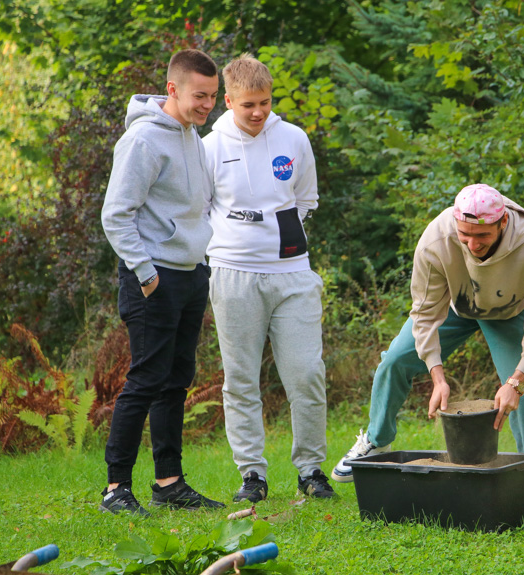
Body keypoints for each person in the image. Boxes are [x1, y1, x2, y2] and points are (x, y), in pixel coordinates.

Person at [331, 184, 524, 520]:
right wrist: (436, 376)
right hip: (458, 306)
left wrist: (515, 381)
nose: (472, 243)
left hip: (510, 312)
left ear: (502, 224)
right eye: (465, 234)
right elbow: (425, 313)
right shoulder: (437, 238)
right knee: (395, 360)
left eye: (481, 235)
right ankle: (377, 440)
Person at [202, 54, 333, 502]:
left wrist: (281, 237)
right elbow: (199, 209)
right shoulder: (209, 147)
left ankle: (312, 470)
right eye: (248, 105)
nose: (258, 113)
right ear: (228, 101)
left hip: (292, 274)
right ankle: (252, 476)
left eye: (265, 102)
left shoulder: (293, 138)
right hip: (233, 275)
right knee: (240, 380)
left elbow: (306, 199)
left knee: (306, 373)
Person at [99, 49, 224, 515]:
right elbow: (116, 216)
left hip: (192, 275)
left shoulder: (192, 135)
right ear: (172, 89)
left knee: (176, 381)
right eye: (199, 95)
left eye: (213, 96)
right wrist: (147, 274)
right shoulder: (144, 141)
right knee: (146, 380)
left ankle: (169, 483)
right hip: (152, 278)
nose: (207, 104)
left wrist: (201, 263)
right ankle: (115, 490)